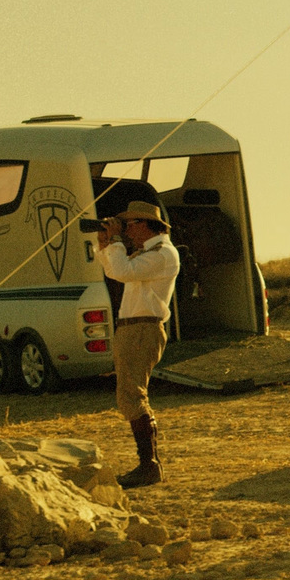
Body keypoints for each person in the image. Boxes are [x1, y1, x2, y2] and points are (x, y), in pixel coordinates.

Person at [96, 200, 180, 489]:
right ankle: (148, 464)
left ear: (145, 224)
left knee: (132, 396)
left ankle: (149, 465)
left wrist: (115, 242)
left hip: (143, 328)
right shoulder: (147, 254)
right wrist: (107, 244)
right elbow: (114, 270)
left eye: (129, 225)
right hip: (133, 328)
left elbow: (121, 272)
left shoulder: (162, 254)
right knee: (129, 395)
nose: (127, 230)